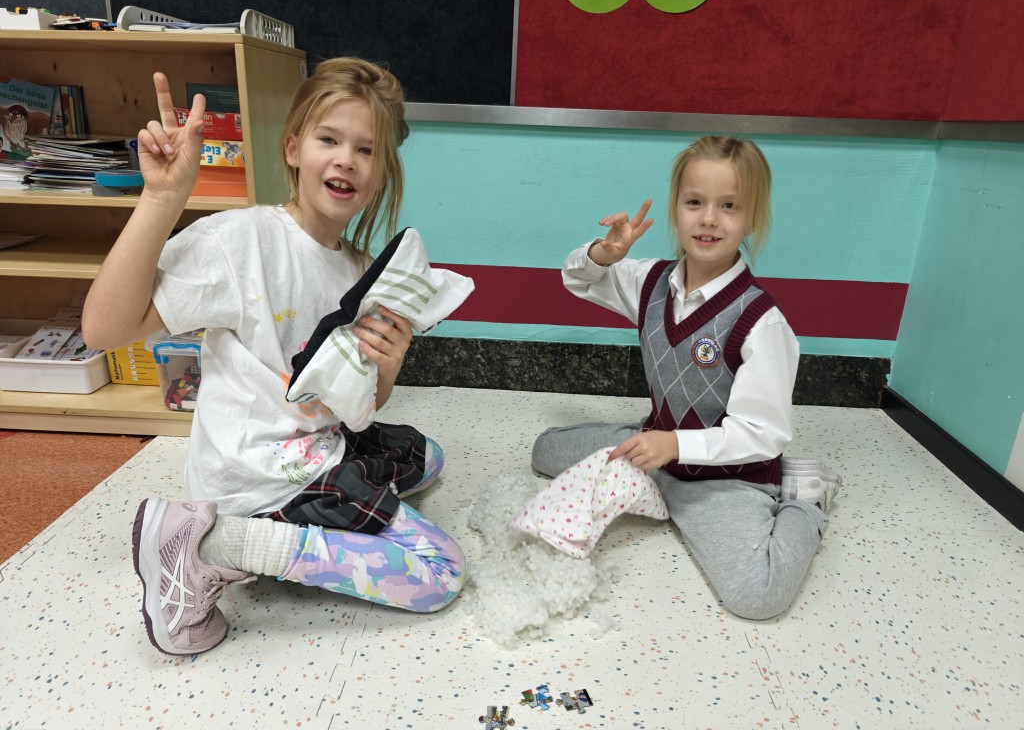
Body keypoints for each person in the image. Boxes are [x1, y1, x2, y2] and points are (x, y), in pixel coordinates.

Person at [82, 58, 465, 657]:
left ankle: (288, 524)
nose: (346, 159)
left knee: (427, 458)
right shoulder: (241, 241)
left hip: (316, 440)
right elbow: (104, 328)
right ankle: (215, 547)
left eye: (366, 150)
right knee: (440, 572)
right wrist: (162, 197)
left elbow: (359, 407)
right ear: (292, 148)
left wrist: (387, 366)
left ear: (382, 172)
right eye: (328, 140)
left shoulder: (362, 270)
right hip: (259, 476)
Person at [531, 136, 839, 620]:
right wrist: (603, 255)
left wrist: (674, 445)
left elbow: (762, 433)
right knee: (544, 451)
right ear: (676, 208)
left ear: (752, 219)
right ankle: (650, 456)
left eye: (729, 206)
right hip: (656, 452)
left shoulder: (762, 322)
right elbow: (577, 279)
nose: (709, 218)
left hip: (726, 478)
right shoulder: (650, 280)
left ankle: (805, 502)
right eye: (694, 202)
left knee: (756, 597)